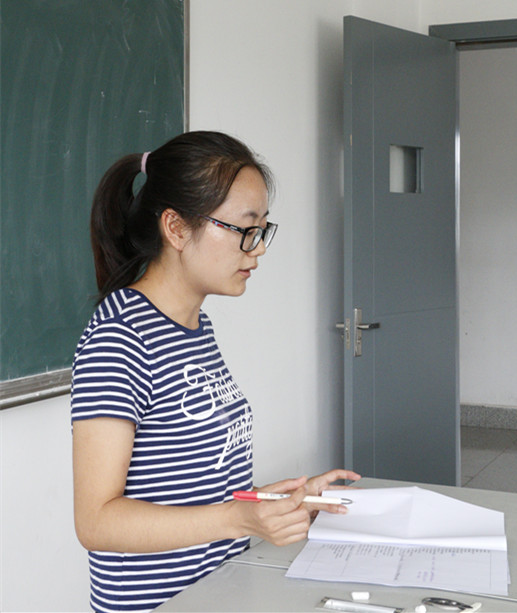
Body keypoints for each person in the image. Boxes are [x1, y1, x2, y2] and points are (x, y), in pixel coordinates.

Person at [71, 131, 360, 613]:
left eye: (262, 229)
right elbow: (96, 522)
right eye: (245, 229)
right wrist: (238, 519)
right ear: (176, 228)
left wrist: (277, 503)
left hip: (218, 592)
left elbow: (194, 489)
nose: (257, 249)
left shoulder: (193, 326)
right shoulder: (120, 338)